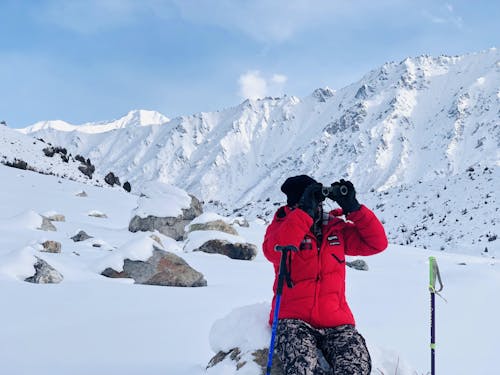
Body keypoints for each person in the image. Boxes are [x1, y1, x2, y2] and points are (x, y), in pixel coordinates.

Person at [263, 175, 388, 375]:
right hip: (294, 320)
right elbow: (274, 250)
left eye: (318, 201)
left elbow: (376, 243)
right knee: (302, 369)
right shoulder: (282, 225)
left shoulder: (335, 228)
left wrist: (354, 209)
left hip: (337, 322)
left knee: (356, 368)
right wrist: (303, 214)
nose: (318, 206)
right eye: (311, 201)